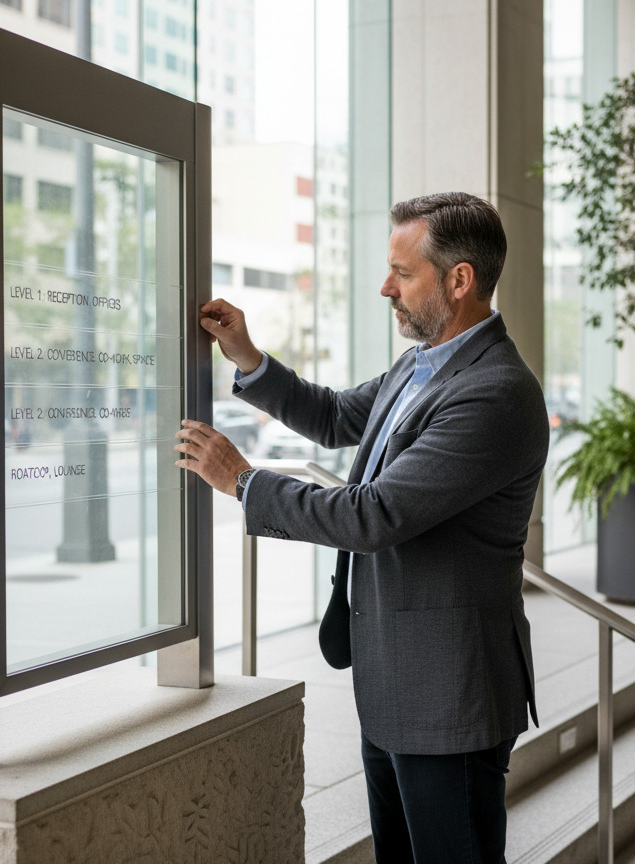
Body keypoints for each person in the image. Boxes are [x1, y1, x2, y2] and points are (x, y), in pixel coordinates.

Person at [174, 192, 548, 864]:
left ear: (459, 280)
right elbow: (336, 416)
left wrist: (242, 481)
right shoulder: (423, 362)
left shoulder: (494, 391)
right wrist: (247, 356)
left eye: (403, 274)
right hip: (396, 681)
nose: (386, 288)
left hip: (449, 695)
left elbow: (373, 515)